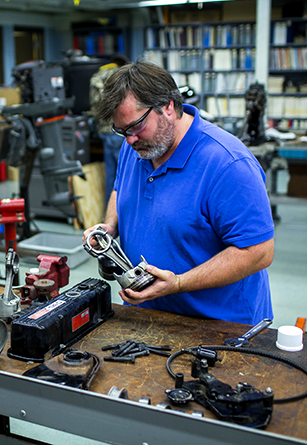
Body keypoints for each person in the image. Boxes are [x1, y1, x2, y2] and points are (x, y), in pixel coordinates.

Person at [83, 61, 274, 325]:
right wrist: (110, 226)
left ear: (168, 107)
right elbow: (120, 187)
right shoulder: (137, 146)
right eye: (122, 130)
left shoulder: (228, 164)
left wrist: (179, 283)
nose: (129, 139)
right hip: (147, 315)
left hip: (218, 327)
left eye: (136, 126)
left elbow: (259, 251)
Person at [89, 54, 131, 204]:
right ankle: (121, 212)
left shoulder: (96, 76)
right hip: (118, 130)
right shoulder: (118, 75)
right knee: (126, 173)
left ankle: (109, 211)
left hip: (104, 131)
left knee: (111, 174)